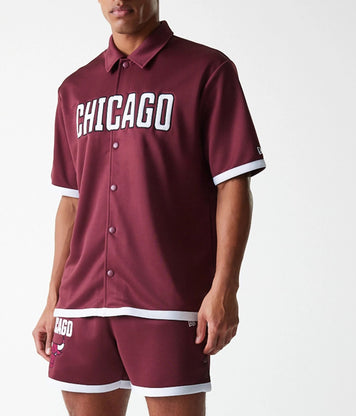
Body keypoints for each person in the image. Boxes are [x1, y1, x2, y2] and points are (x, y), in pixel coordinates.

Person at [32, 1, 266, 415]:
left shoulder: (207, 70)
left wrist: (225, 288)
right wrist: (53, 299)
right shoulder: (75, 89)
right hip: (81, 302)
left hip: (167, 298)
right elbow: (71, 200)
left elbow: (233, 182)